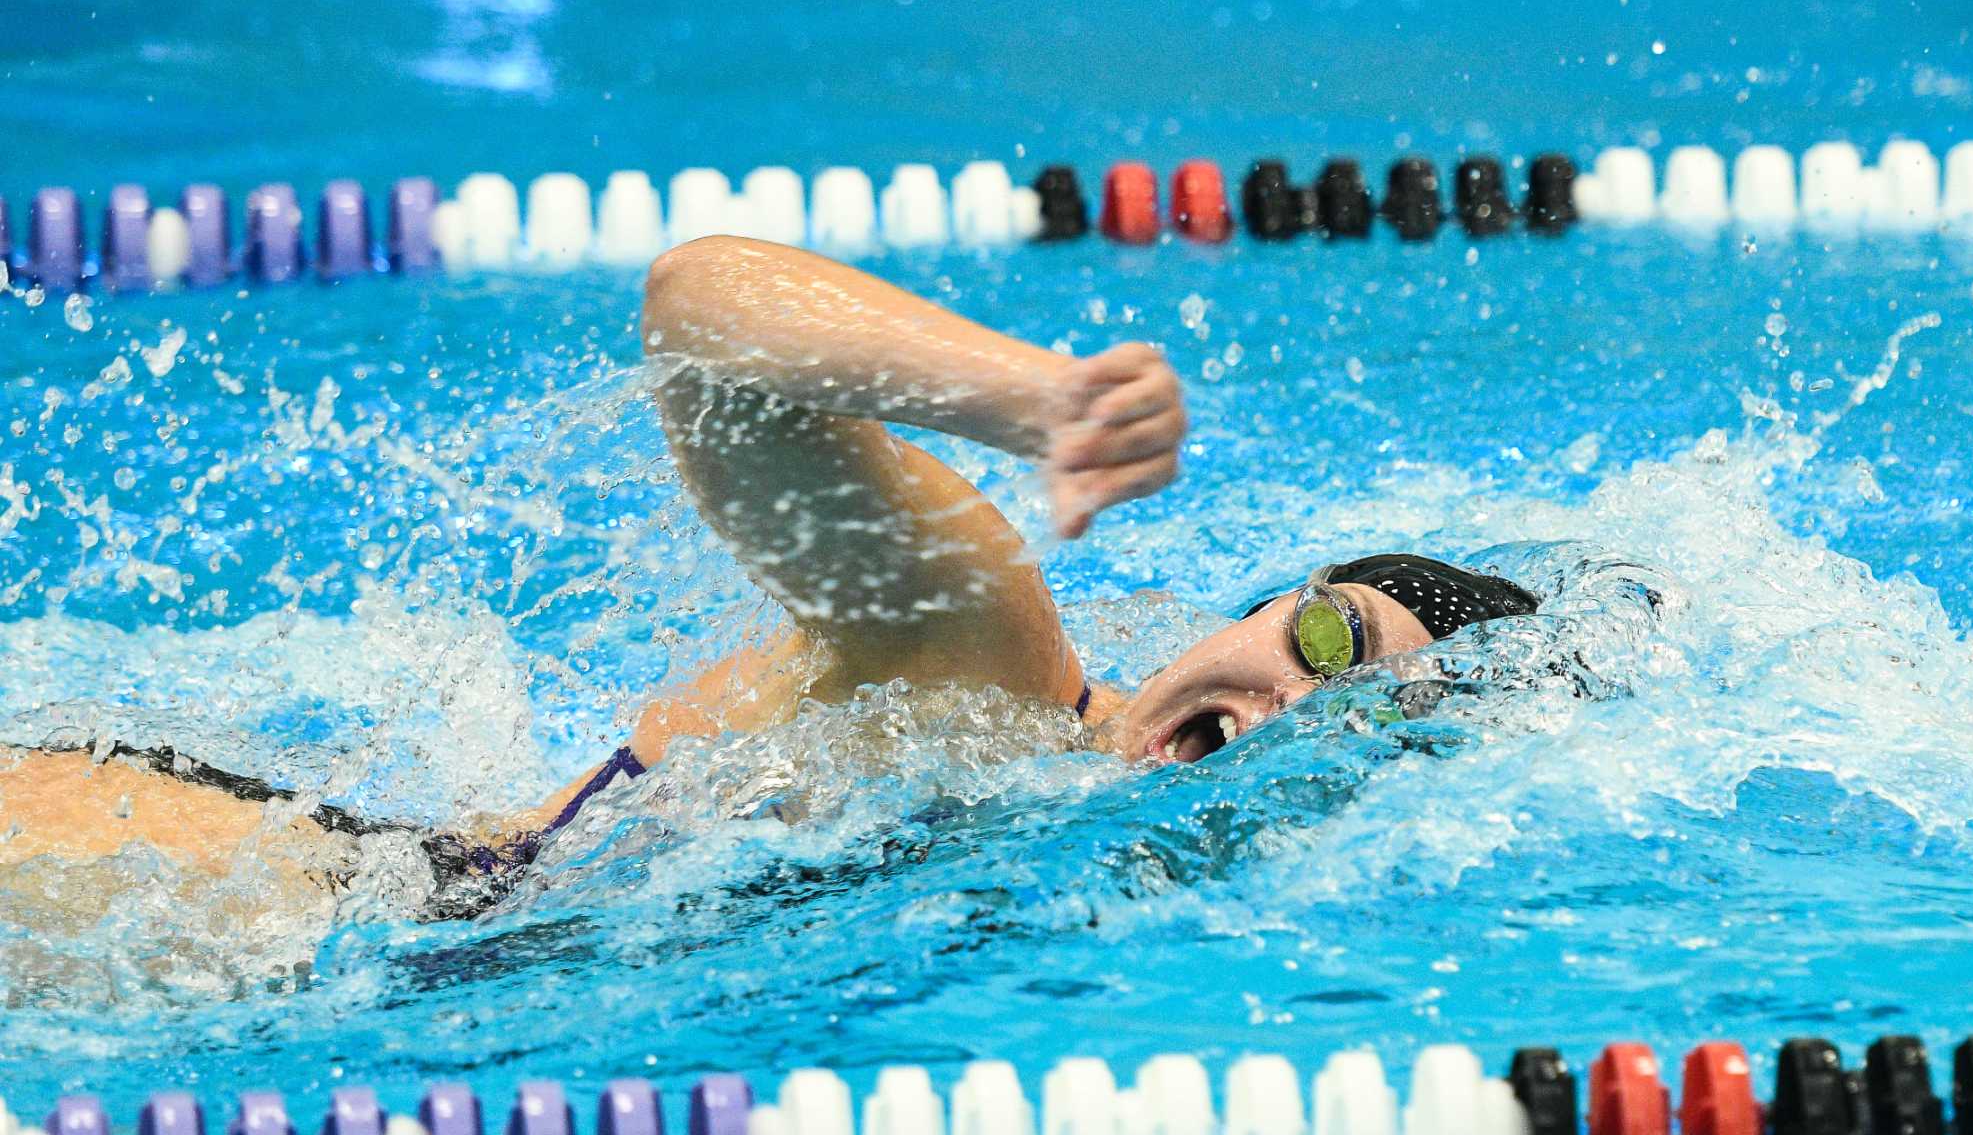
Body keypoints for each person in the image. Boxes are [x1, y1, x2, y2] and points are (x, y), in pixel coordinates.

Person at [0, 236, 1537, 913]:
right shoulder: (991, 664)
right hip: (229, 886)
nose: (1290, 708)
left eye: (1360, 724)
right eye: (1332, 637)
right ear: (1259, 605)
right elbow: (702, 313)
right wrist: (1028, 400)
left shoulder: (1035, 813)